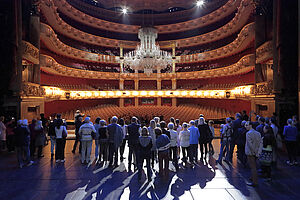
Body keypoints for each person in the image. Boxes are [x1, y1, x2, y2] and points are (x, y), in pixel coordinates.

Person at [245, 121, 263, 187]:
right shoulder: (258, 133)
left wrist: (255, 152)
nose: (245, 126)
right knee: (254, 166)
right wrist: (258, 152)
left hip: (251, 152)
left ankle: (254, 182)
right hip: (256, 152)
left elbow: (250, 145)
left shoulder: (248, 133)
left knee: (253, 167)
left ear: (250, 125)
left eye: (247, 125)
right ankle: (252, 178)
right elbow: (261, 143)